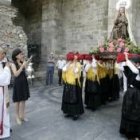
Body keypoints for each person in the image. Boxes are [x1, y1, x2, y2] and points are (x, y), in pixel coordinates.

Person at [120, 53, 140, 140]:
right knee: (129, 111)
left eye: (134, 62)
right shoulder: (131, 69)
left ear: (137, 63)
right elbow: (121, 67)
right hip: (130, 93)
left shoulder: (137, 70)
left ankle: (134, 133)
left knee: (135, 113)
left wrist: (127, 59)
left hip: (137, 94)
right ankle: (129, 132)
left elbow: (135, 70)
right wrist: (124, 60)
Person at [61, 53, 84, 120]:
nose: (72, 60)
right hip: (68, 83)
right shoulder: (68, 64)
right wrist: (69, 64)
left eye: (73, 59)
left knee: (74, 99)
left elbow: (76, 71)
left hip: (75, 84)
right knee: (68, 98)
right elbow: (64, 70)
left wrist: (74, 64)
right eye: (71, 59)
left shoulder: (78, 64)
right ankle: (68, 112)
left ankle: (75, 113)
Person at [11, 48, 30, 125]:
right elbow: (15, 74)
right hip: (18, 83)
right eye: (20, 54)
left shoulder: (22, 62)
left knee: (23, 100)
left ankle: (22, 116)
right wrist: (22, 66)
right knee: (18, 101)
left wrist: (25, 63)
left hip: (24, 82)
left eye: (22, 54)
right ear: (16, 56)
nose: (22, 55)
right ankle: (17, 117)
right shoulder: (13, 64)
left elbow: (26, 70)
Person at [0, 47, 11, 139]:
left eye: (4, 53)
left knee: (4, 110)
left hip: (3, 90)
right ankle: (2, 129)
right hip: (0, 90)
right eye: (2, 53)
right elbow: (2, 80)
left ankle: (5, 126)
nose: (3, 55)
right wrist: (7, 68)